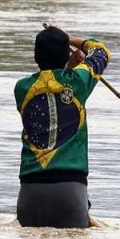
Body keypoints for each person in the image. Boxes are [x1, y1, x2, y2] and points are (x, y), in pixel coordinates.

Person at [14, 26, 110, 228]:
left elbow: (50, 88)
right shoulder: (79, 81)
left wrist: (68, 68)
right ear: (65, 55)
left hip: (30, 190)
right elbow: (101, 51)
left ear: (35, 56)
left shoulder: (22, 88)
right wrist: (71, 39)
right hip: (70, 190)